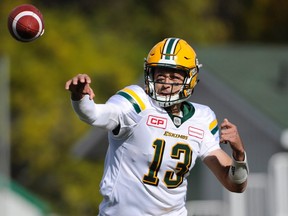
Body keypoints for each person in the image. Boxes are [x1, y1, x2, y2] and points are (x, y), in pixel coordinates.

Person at [65, 37, 249, 216]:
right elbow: (94, 115)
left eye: (174, 77)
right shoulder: (136, 102)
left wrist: (239, 154)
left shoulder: (203, 118)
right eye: (160, 76)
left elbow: (234, 184)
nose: (166, 84)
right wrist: (80, 99)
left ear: (190, 79)